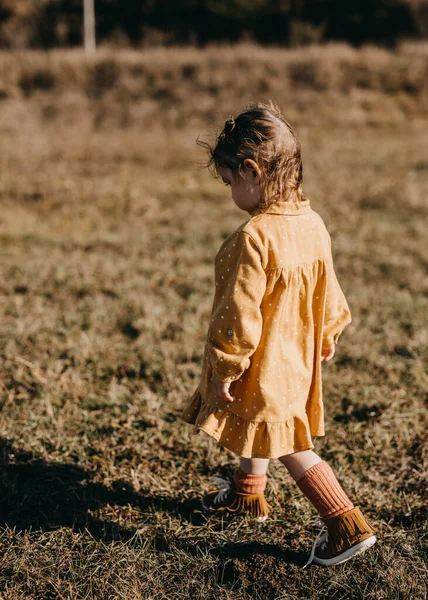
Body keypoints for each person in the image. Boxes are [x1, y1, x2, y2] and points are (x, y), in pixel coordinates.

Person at [180, 101, 377, 567]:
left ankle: (345, 523)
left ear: (251, 171)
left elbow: (238, 313)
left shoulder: (254, 237)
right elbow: (330, 286)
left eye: (230, 182)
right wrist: (328, 332)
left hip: (264, 360)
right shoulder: (312, 223)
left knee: (289, 443)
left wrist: (226, 365)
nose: (231, 192)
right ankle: (248, 495)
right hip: (297, 355)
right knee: (261, 425)